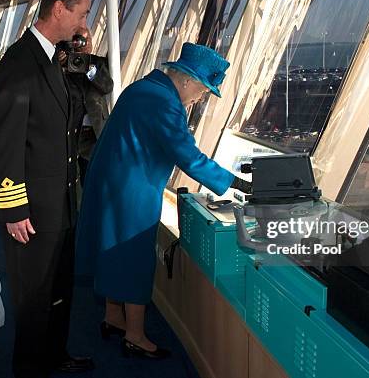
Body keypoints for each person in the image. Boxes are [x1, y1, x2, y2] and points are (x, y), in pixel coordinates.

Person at [77, 42, 252, 359]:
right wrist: (235, 182)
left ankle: (113, 317)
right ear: (186, 79)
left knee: (111, 248)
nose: (200, 98)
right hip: (132, 190)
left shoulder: (144, 87)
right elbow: (187, 155)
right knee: (133, 256)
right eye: (203, 90)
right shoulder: (164, 103)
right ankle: (135, 335)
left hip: (110, 181)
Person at [0, 0, 94, 378]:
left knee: (59, 291)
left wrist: (84, 51)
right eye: (82, 13)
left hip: (60, 203)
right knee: (33, 300)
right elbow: (5, 144)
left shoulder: (54, 58)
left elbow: (81, 106)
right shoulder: (19, 63)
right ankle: (30, 368)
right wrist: (13, 210)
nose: (85, 21)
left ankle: (55, 354)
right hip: (31, 212)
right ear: (59, 10)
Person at [57, 27, 113, 185]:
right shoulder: (64, 63)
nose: (85, 45)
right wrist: (59, 65)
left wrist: (90, 71)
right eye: (80, 41)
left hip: (95, 130)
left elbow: (107, 87)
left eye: (87, 41)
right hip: (71, 128)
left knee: (93, 176)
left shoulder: (97, 63)